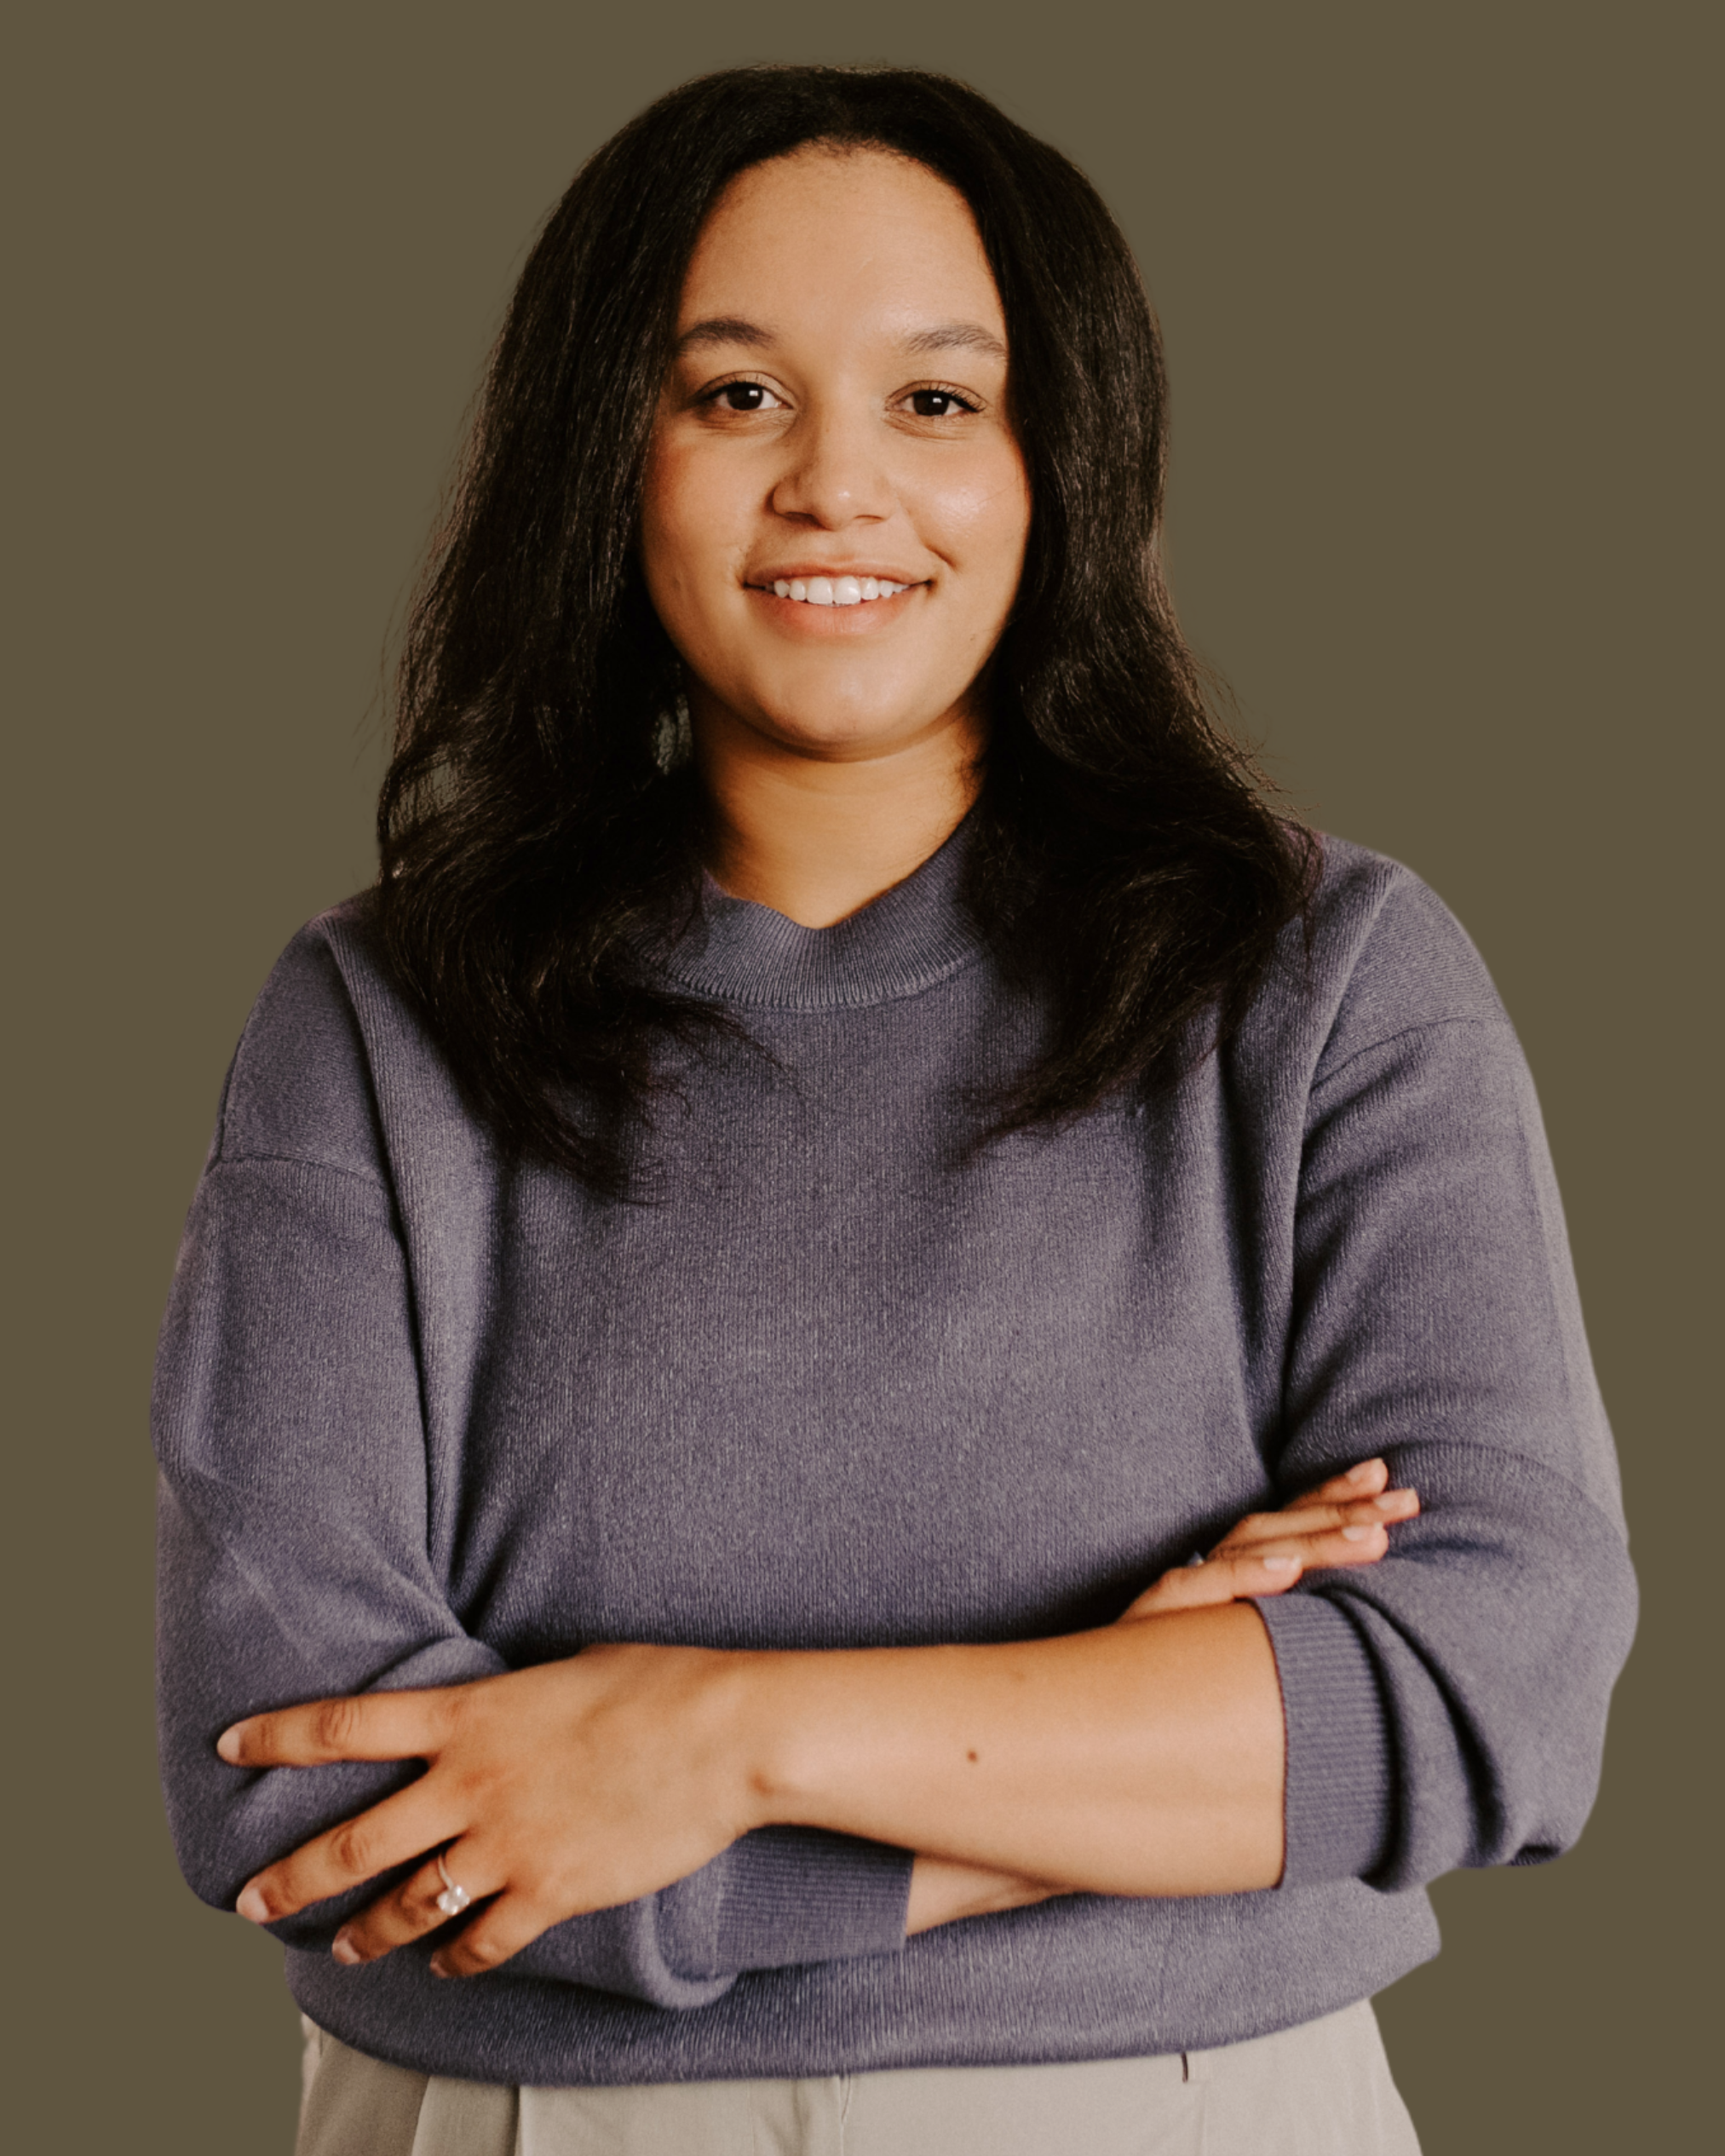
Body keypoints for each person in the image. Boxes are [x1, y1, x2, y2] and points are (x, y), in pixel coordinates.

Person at [152, 64, 1636, 2156]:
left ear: (1059, 459)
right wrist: (1107, 1739)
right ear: (609, 452)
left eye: (938, 400)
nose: (838, 485)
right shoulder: (374, 1014)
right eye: (734, 395)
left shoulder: (1326, 978)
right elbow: (297, 1791)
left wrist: (716, 1739)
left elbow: (1500, 1681)